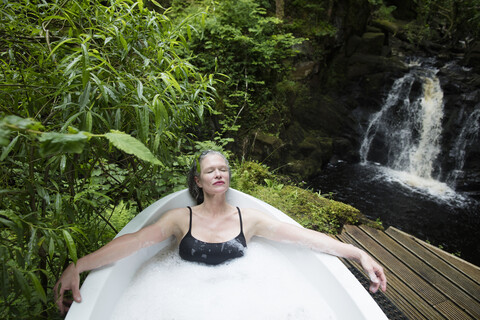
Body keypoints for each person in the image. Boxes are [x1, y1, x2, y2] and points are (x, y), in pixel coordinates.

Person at [54, 150, 387, 315]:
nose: (218, 173)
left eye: (223, 169)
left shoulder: (250, 219)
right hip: (182, 305)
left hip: (239, 304)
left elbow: (304, 236)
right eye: (210, 170)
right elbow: (134, 242)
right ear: (198, 181)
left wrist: (358, 253)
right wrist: (78, 266)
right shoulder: (179, 219)